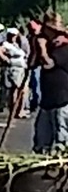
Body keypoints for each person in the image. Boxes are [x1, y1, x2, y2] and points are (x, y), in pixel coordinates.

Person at [33, 13, 68, 153]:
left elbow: (48, 64)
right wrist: (37, 47)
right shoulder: (50, 46)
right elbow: (33, 63)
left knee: (61, 139)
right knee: (41, 140)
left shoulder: (64, 48)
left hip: (62, 99)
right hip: (47, 100)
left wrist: (42, 49)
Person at [0, 28, 29, 119]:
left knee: (22, 90)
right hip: (14, 69)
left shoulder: (16, 45)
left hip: (21, 68)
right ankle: (15, 110)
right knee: (16, 90)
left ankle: (19, 110)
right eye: (12, 35)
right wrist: (7, 60)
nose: (13, 37)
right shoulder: (6, 45)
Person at [26, 20, 43, 113]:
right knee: (33, 86)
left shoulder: (41, 38)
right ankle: (33, 104)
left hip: (38, 64)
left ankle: (36, 104)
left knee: (37, 86)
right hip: (33, 65)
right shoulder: (30, 37)